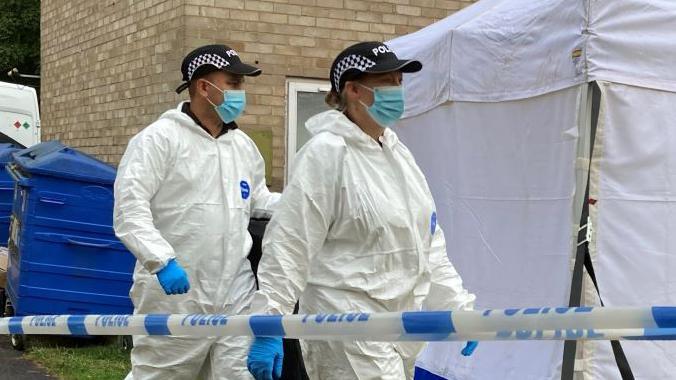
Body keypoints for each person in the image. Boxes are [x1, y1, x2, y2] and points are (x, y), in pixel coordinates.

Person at [246, 41, 477, 380]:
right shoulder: (326, 154)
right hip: (346, 325)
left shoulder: (398, 155)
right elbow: (290, 244)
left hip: (398, 327)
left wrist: (457, 307)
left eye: (399, 81)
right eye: (387, 82)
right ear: (353, 89)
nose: (397, 91)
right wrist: (268, 322)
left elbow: (428, 242)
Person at [114, 44, 279, 380]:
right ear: (204, 86)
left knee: (240, 374)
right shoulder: (159, 140)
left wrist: (307, 205)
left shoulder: (242, 146)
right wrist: (160, 260)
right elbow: (130, 207)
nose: (241, 93)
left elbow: (259, 201)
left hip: (235, 293)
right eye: (233, 83)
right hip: (176, 295)